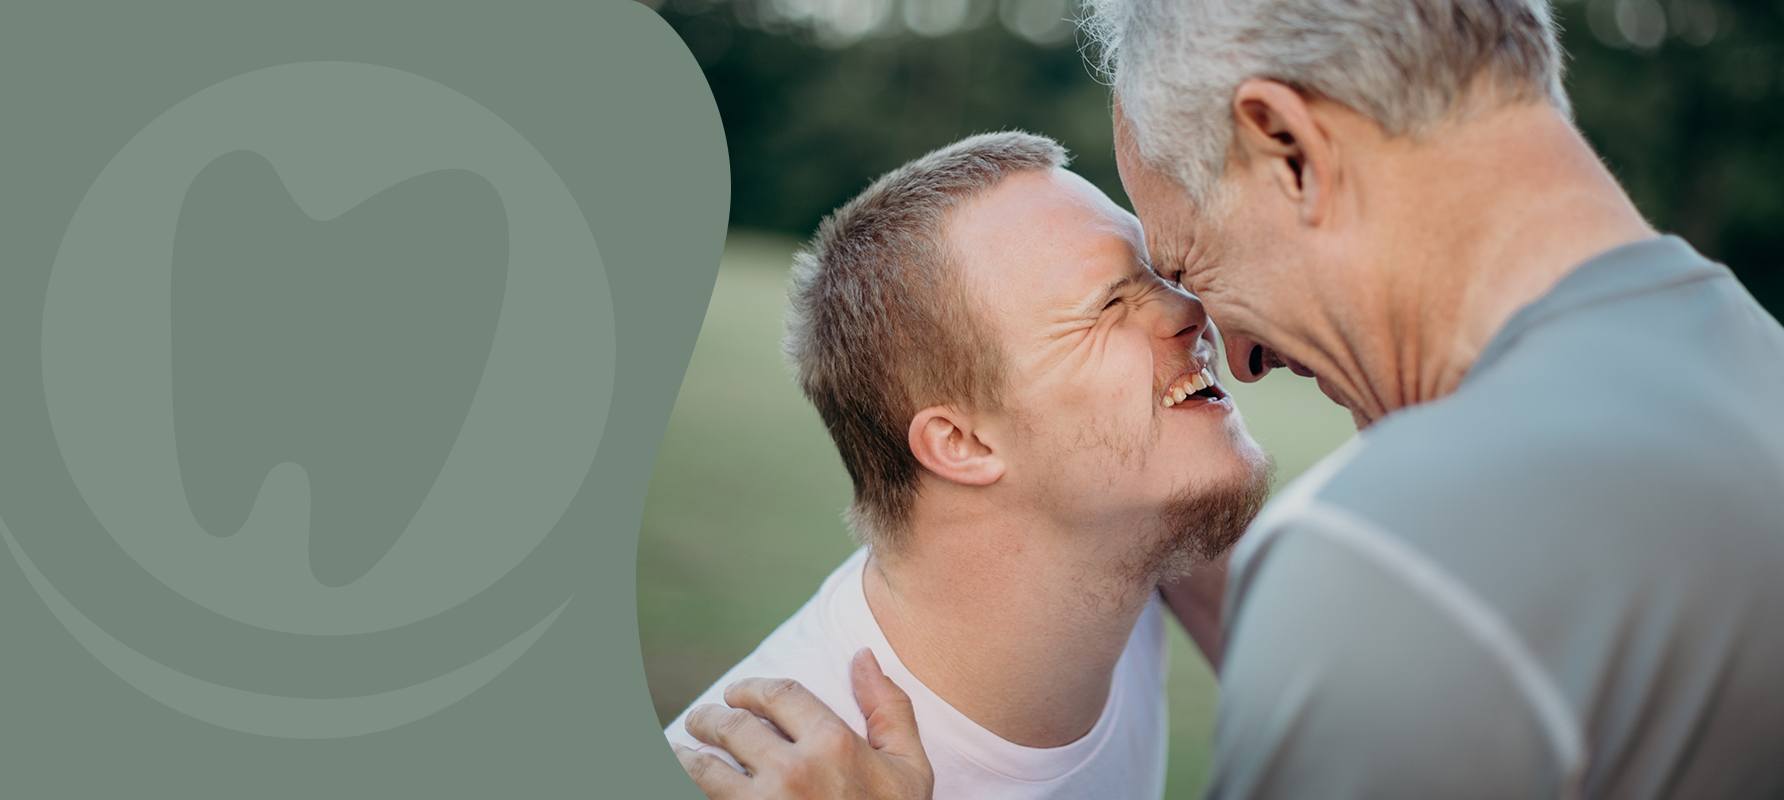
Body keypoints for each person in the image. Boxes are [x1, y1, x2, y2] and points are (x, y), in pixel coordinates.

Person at [679, 1, 1784, 798]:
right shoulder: (1751, 360)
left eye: (1188, 260)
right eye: (1135, 291)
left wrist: (1342, 592)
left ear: (1290, 148)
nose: (1233, 350)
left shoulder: (1393, 566)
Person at [666, 131, 1270, 799]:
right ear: (963, 443)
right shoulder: (758, 776)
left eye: (1162, 275)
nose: (1191, 309)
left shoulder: (1136, 540)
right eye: (1109, 305)